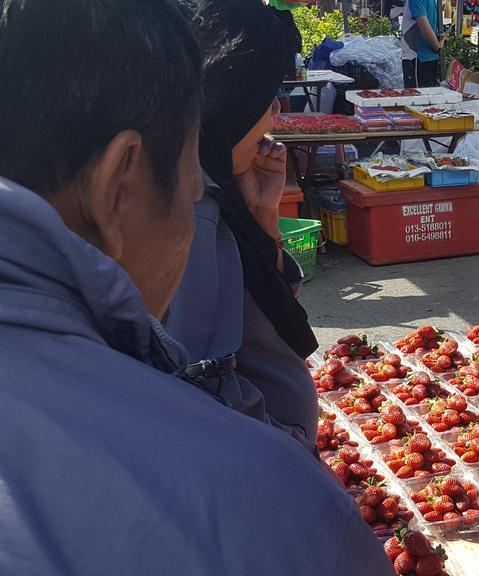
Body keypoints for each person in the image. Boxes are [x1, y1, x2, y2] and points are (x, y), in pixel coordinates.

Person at [0, 1, 393, 573]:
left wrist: (262, 227)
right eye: (189, 186)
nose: (277, 113)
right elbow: (202, 384)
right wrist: (280, 468)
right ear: (119, 188)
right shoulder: (263, 509)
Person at [166, 0, 320, 453]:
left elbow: (263, 312)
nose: (274, 113)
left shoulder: (217, 189)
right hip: (264, 458)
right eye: (266, 95)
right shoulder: (192, 214)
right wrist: (285, 445)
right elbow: (200, 378)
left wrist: (261, 213)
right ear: (231, 95)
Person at [402, 0, 445, 87]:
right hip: (417, 57)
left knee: (421, 97)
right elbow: (425, 27)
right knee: (421, 96)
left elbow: (426, 27)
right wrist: (437, 47)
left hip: (422, 57)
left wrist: (437, 47)